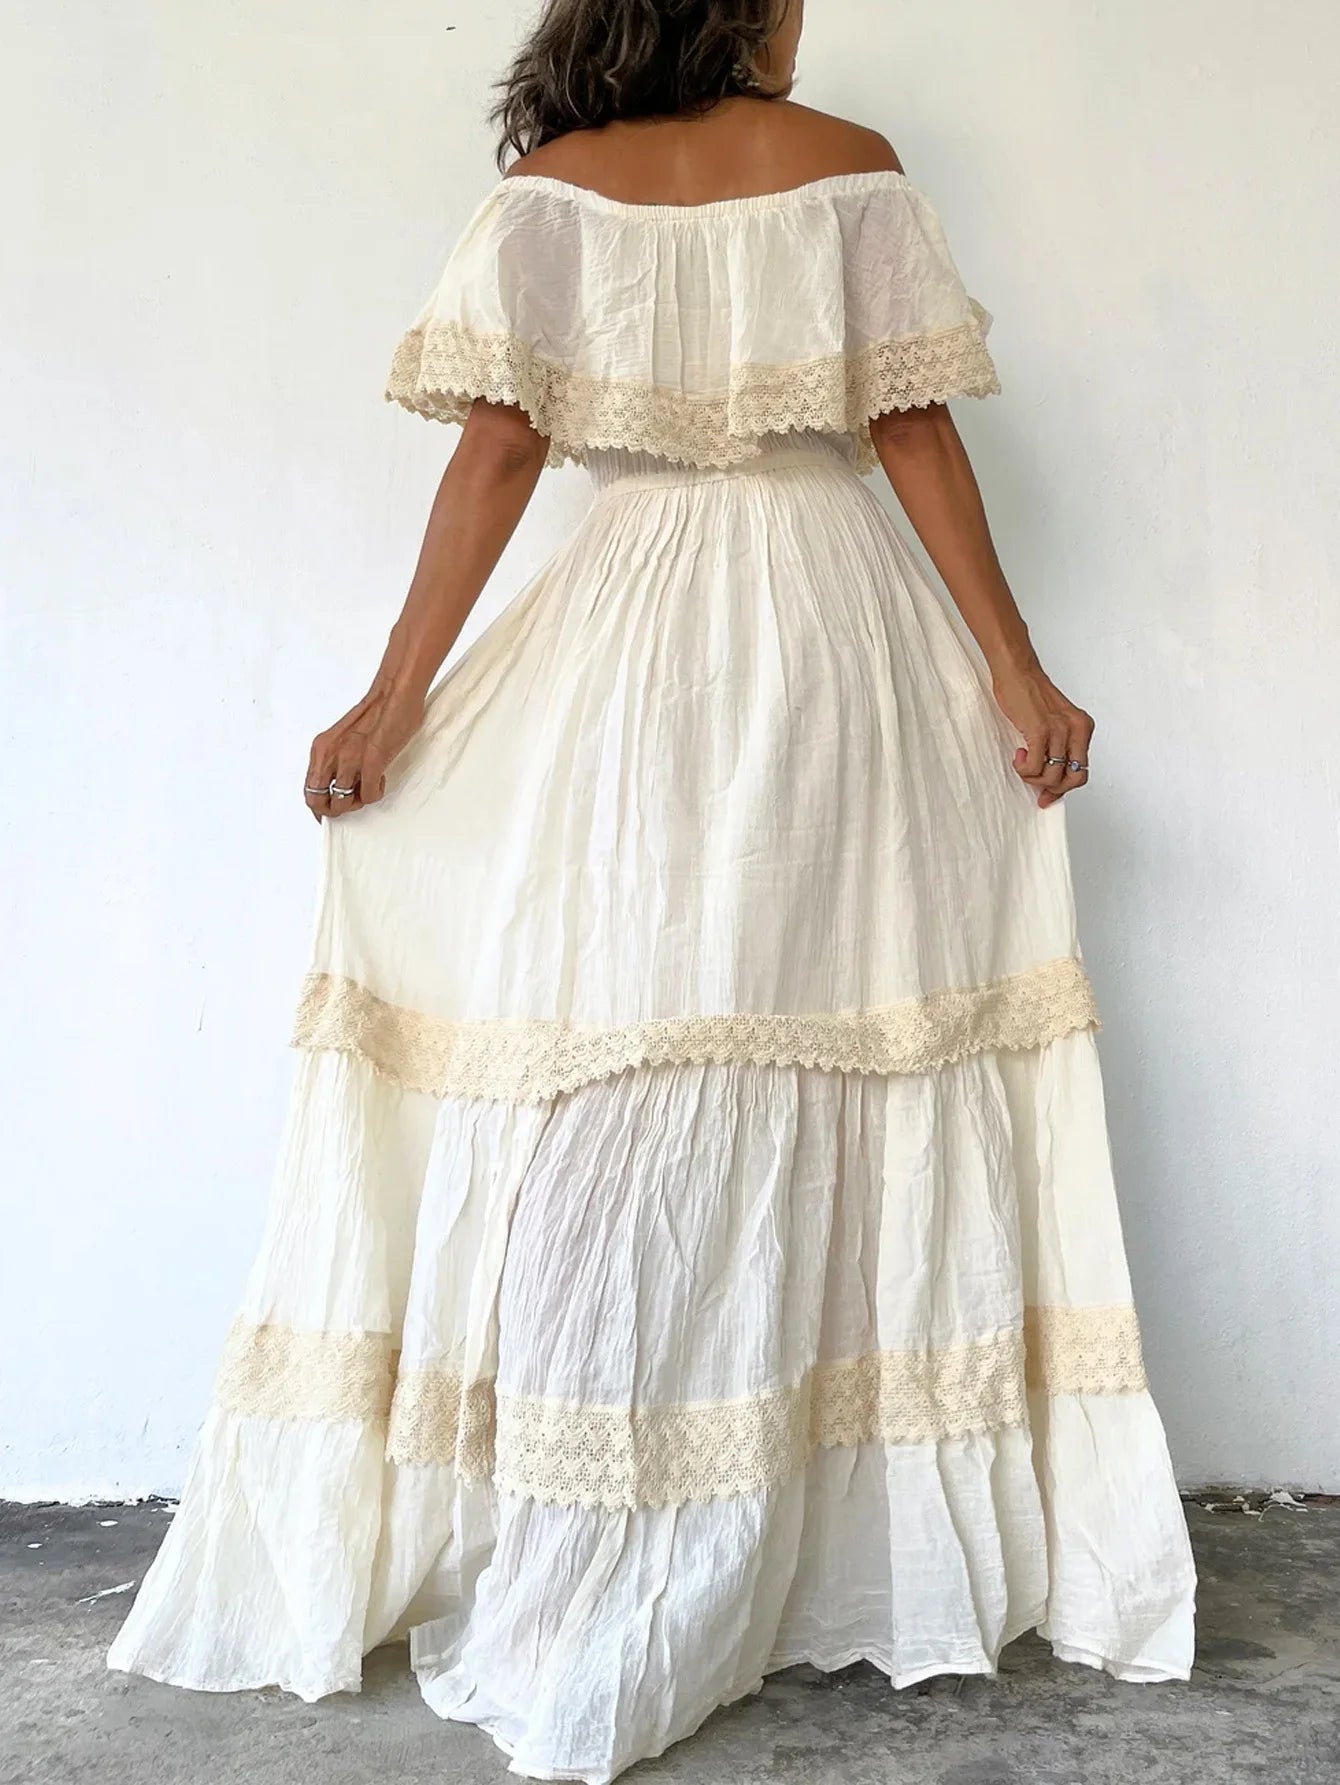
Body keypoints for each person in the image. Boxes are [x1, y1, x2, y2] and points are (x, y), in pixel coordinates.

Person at [108, 2, 1197, 1778]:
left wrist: (395, 699)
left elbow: (499, 457)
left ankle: (628, 1530)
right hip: (836, 631)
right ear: (741, 2)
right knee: (827, 1040)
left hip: (633, 646)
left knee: (619, 1050)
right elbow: (914, 435)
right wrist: (1011, 670)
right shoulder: (850, 172)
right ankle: (786, 1539)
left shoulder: (556, 193)